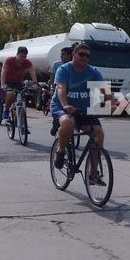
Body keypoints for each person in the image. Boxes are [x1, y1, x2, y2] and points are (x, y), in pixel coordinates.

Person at [50, 43, 116, 183]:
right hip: (61, 106)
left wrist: (113, 103)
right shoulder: (64, 69)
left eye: (87, 55)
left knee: (98, 132)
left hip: (83, 110)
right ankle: (61, 151)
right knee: (68, 123)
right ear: (73, 54)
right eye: (81, 54)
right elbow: (61, 88)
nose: (84, 57)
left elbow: (105, 89)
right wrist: (66, 105)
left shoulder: (93, 71)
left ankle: (93, 173)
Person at [1, 46, 37, 119]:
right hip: (8, 82)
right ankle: (6, 110)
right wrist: (3, 83)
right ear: (17, 54)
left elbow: (33, 73)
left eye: (25, 56)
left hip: (19, 83)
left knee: (22, 97)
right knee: (11, 94)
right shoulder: (9, 60)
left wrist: (35, 83)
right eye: (21, 56)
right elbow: (3, 72)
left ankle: (23, 123)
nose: (23, 58)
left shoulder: (27, 62)